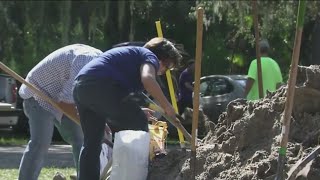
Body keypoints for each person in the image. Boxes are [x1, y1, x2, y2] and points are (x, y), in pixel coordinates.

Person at [73, 37, 182, 180]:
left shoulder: (132, 59)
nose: (162, 72)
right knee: (139, 122)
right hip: (100, 86)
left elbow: (121, 99)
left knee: (92, 143)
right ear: (162, 59)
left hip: (82, 88)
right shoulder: (149, 56)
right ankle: (142, 174)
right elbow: (148, 79)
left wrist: (137, 110)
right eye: (167, 67)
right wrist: (167, 106)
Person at [18, 44, 102, 180]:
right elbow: (65, 104)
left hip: (60, 96)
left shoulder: (103, 69)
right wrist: (89, 123)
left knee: (81, 139)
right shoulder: (85, 62)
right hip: (37, 94)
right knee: (40, 143)